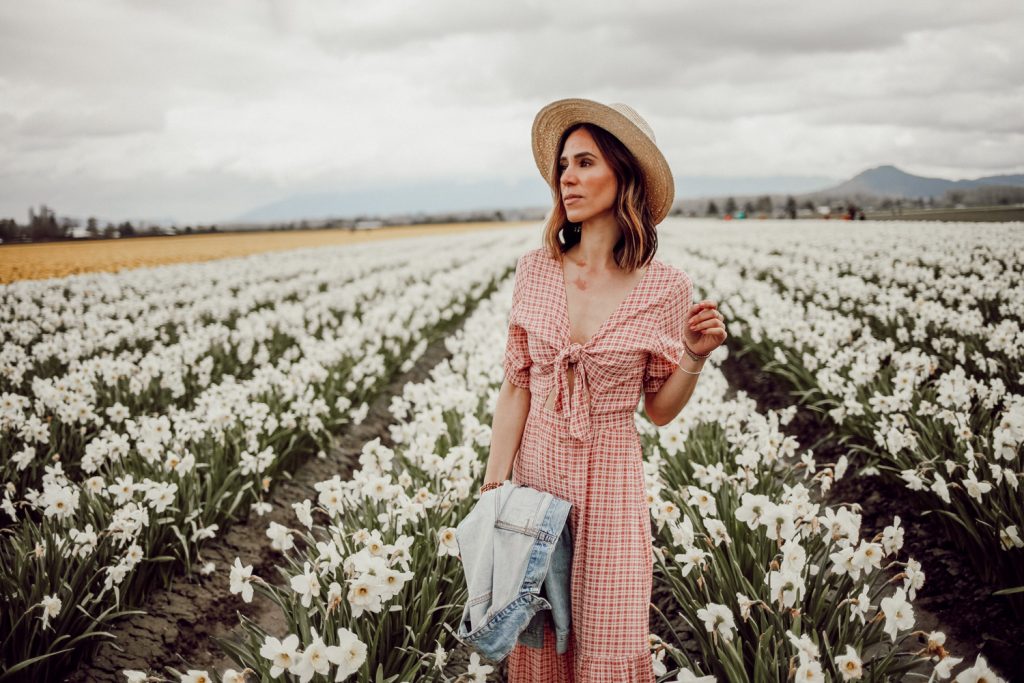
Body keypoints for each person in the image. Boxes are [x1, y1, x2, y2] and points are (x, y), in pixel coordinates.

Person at [480, 98, 727, 682]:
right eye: (564, 164)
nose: (567, 177)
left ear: (625, 175)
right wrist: (494, 489)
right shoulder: (534, 269)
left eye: (586, 162)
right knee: (539, 645)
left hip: (613, 485)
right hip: (536, 481)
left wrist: (693, 353)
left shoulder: (665, 288)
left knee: (608, 642)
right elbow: (516, 386)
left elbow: (660, 411)